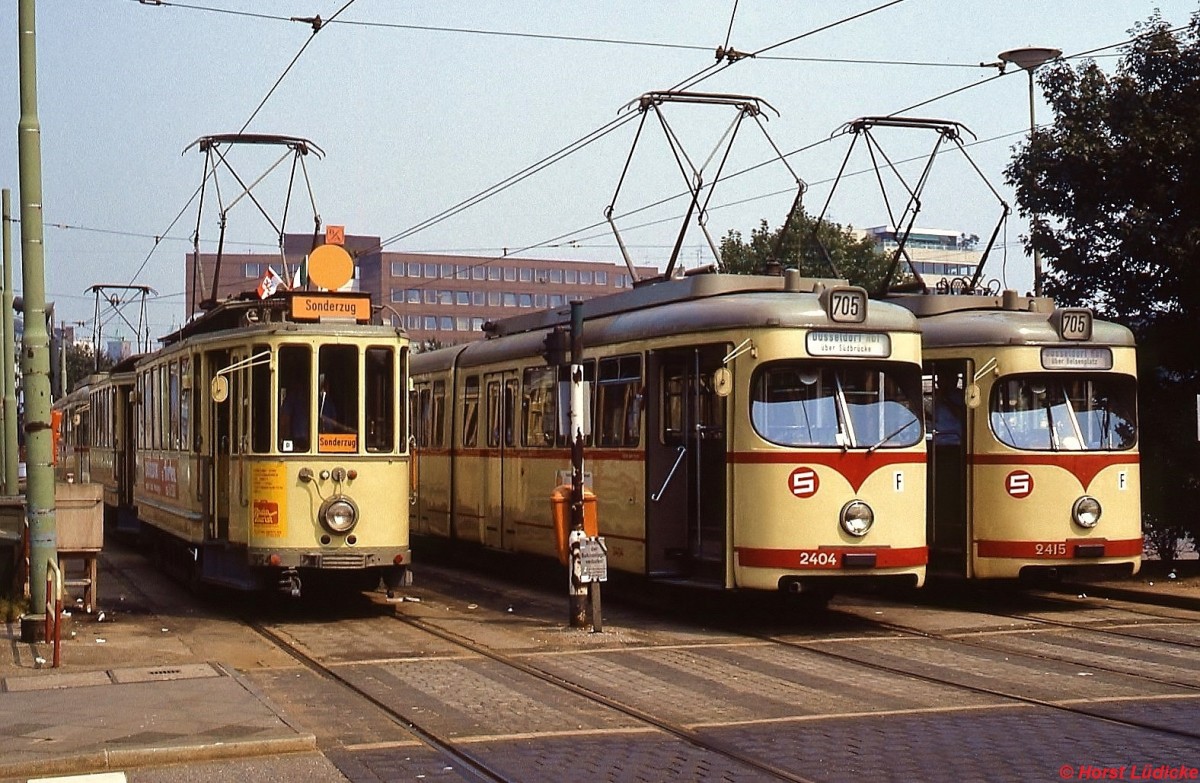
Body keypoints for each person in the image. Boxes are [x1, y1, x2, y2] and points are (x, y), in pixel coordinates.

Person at [932, 367, 964, 446]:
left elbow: (960, 414)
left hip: (955, 439)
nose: (937, 382)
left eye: (940, 379)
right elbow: (937, 419)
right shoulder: (938, 397)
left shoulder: (959, 395)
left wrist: (945, 400)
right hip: (939, 439)